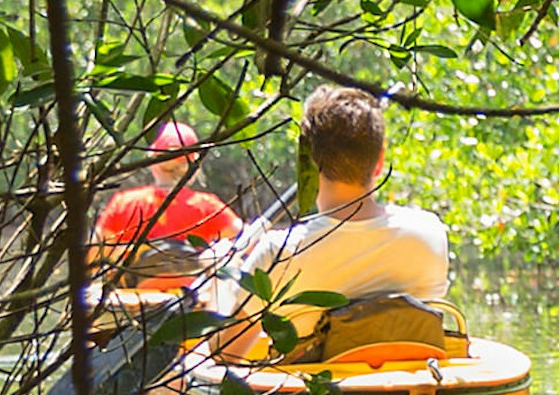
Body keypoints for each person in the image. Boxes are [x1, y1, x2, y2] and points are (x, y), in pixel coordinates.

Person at [210, 85, 449, 353]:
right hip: (404, 392)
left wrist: (225, 280)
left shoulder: (278, 253)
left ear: (306, 162)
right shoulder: (430, 232)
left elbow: (225, 351)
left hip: (318, 393)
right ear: (379, 161)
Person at [90, 120, 242, 273]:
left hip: (126, 295)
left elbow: (92, 256)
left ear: (152, 160)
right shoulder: (207, 206)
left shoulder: (123, 203)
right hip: (194, 293)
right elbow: (244, 239)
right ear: (192, 165)